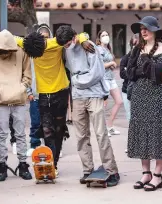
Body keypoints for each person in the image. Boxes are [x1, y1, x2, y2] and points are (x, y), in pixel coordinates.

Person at [10, 28, 94, 177]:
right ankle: (52, 165)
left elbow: (77, 35)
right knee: (48, 131)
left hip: (61, 91)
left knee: (59, 130)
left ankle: (54, 162)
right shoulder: (28, 44)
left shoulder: (55, 42)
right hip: (43, 95)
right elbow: (7, 35)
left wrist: (84, 40)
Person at [55, 25, 120, 186]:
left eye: (68, 44)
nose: (67, 47)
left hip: (95, 94)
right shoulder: (65, 47)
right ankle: (87, 169)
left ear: (74, 37)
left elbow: (97, 73)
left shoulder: (88, 46)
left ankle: (112, 171)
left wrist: (77, 80)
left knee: (101, 133)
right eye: (64, 45)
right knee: (81, 136)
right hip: (77, 97)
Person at [127, 16, 162, 191]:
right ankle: (145, 172)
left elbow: (159, 76)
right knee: (141, 131)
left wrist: (146, 65)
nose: (143, 31)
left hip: (155, 95)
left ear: (155, 31)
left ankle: (158, 175)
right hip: (139, 95)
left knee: (157, 131)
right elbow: (129, 72)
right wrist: (145, 68)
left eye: (147, 28)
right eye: (141, 29)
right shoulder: (136, 49)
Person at [0, 29, 32, 181]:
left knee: (19, 133)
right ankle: (2, 164)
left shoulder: (21, 52)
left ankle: (23, 163)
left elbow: (27, 74)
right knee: (1, 134)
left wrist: (20, 89)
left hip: (18, 99)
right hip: (1, 100)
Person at [26, 24, 53, 157]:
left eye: (47, 37)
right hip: (36, 94)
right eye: (42, 37)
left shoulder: (54, 52)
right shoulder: (32, 54)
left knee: (50, 123)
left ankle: (51, 146)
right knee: (35, 122)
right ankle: (34, 144)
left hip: (50, 94)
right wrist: (29, 92)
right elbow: (26, 73)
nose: (44, 40)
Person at [96, 30, 123, 137]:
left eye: (107, 35)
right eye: (103, 35)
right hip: (103, 79)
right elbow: (99, 65)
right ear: (99, 38)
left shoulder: (108, 49)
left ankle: (110, 125)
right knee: (103, 104)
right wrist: (111, 63)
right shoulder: (98, 49)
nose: (106, 37)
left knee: (119, 101)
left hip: (111, 78)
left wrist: (111, 65)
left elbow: (108, 63)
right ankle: (103, 129)